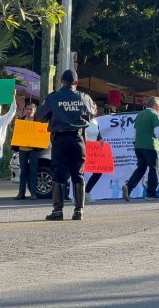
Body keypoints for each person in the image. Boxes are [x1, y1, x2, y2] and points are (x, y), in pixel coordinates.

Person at [35, 70, 96, 221]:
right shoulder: (84, 97)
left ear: (61, 81)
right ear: (76, 83)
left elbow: (40, 117)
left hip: (60, 140)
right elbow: (93, 112)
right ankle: (79, 211)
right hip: (78, 140)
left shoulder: (53, 98)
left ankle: (57, 211)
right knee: (78, 174)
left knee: (59, 175)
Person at [122, 96, 159, 201]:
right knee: (154, 168)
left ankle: (128, 188)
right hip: (151, 146)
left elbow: (134, 132)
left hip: (138, 146)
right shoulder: (154, 115)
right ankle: (151, 193)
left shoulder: (139, 115)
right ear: (155, 105)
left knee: (141, 169)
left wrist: (136, 143)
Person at [14, 103, 39, 200]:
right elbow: (16, 135)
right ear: (25, 110)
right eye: (27, 109)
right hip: (22, 149)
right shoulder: (20, 121)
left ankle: (33, 193)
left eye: (31, 109)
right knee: (23, 171)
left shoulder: (38, 122)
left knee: (33, 171)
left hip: (34, 150)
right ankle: (21, 193)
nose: (29, 111)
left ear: (34, 110)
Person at [84, 117, 103, 202]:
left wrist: (100, 139)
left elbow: (98, 134)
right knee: (80, 172)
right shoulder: (82, 120)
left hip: (94, 150)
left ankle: (86, 192)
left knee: (98, 172)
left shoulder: (95, 121)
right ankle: (78, 195)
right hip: (83, 148)